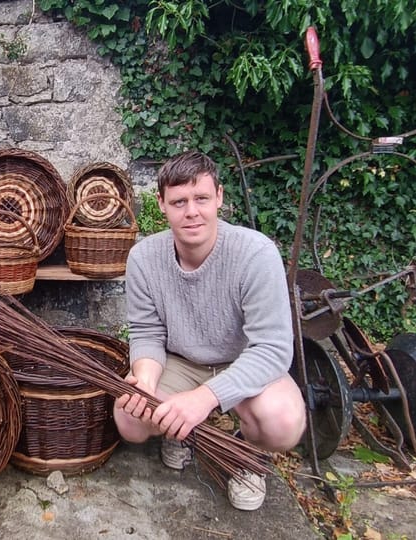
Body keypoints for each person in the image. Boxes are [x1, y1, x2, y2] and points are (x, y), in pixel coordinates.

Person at [113, 150, 306, 511]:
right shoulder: (143, 257)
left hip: (243, 361)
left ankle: (244, 455)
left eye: (201, 198)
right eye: (179, 201)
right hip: (181, 361)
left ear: (219, 196)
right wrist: (147, 382)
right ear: (161, 204)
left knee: (283, 422)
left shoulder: (255, 254)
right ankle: (182, 432)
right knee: (129, 419)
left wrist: (203, 399)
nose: (191, 212)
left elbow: (273, 348)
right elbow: (147, 333)